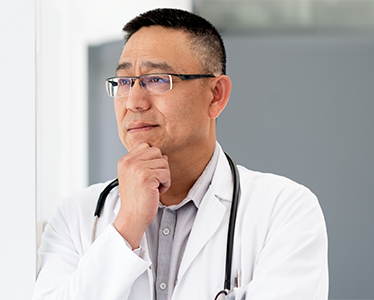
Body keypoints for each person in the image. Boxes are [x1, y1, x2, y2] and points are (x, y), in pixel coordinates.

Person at [32, 8, 328, 300]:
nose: (133, 101)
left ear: (215, 95)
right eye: (124, 82)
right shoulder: (76, 217)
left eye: (157, 79)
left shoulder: (284, 211)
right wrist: (128, 225)